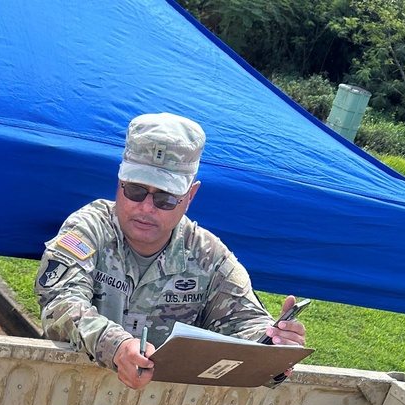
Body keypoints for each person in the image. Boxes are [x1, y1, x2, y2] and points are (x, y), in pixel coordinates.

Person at [35, 113, 307, 389]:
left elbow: (245, 322)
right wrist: (115, 346)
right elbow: (59, 302)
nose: (146, 207)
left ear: (190, 196)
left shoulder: (208, 257)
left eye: (165, 198)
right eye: (136, 191)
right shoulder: (90, 229)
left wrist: (273, 346)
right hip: (68, 390)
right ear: (119, 182)